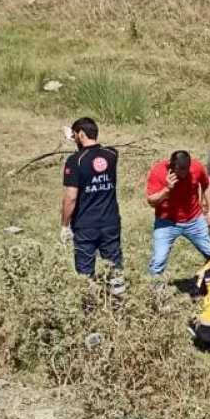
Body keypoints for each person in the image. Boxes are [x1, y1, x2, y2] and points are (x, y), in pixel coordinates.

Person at [60, 117, 126, 305]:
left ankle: (90, 310)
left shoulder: (74, 161)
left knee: (85, 272)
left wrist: (64, 225)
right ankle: (118, 306)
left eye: (75, 135)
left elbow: (71, 197)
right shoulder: (111, 155)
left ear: (81, 134)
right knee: (114, 268)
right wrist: (76, 138)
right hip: (110, 223)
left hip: (85, 225)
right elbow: (99, 152)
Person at [146, 150, 210, 287]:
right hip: (166, 223)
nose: (185, 173)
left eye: (187, 169)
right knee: (158, 260)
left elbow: (206, 183)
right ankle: (155, 293)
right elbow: (151, 201)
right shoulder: (158, 172)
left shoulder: (196, 167)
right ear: (171, 166)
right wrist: (167, 189)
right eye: (181, 170)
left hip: (194, 220)